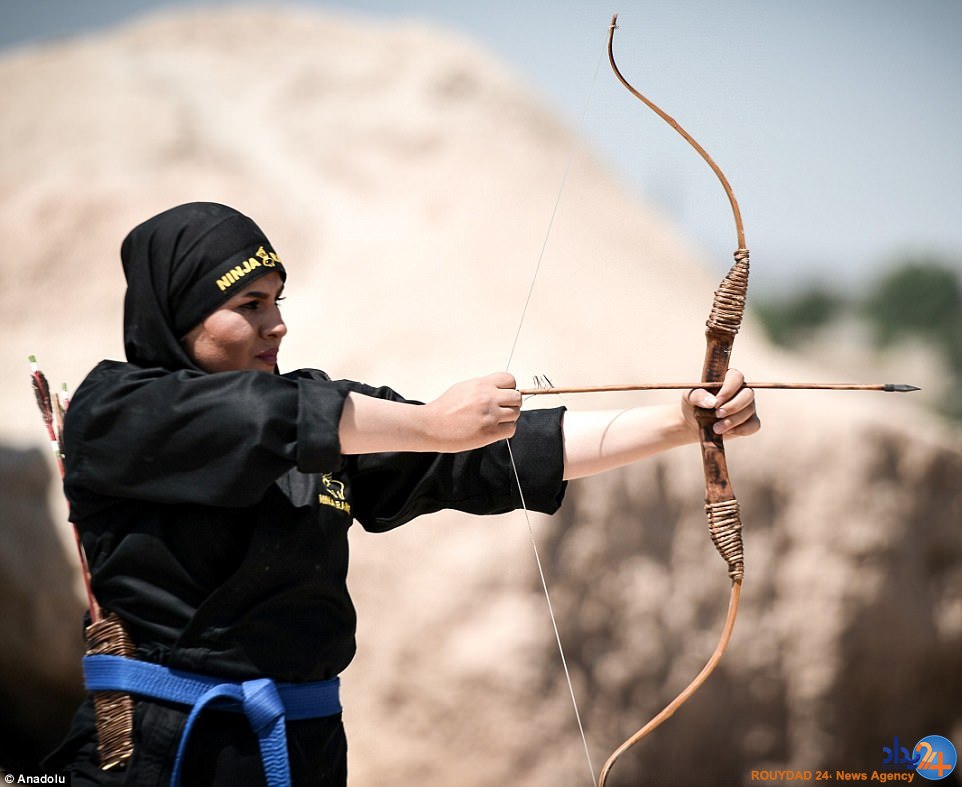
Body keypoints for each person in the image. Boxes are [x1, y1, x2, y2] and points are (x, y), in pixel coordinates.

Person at [46, 202, 760, 785]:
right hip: (159, 753)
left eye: (278, 301)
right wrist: (432, 424)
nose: (277, 323)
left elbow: (486, 458)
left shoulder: (329, 416)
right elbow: (260, 421)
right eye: (249, 304)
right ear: (179, 314)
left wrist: (682, 422)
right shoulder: (116, 407)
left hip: (299, 749)